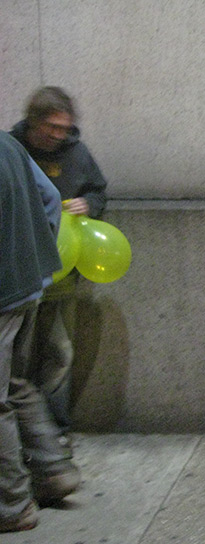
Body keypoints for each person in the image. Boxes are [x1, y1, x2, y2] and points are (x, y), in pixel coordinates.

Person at [10, 86, 108, 434]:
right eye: (51, 126)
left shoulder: (77, 153)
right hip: (18, 277)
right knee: (15, 362)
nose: (57, 134)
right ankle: (21, 434)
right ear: (33, 121)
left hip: (61, 275)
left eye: (64, 128)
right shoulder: (13, 151)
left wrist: (90, 205)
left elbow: (98, 190)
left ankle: (54, 430)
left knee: (59, 352)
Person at [1, 132, 82, 533]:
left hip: (2, 293)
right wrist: (35, 254)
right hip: (29, 283)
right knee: (14, 382)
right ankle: (52, 469)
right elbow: (49, 198)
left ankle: (12, 505)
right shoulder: (8, 144)